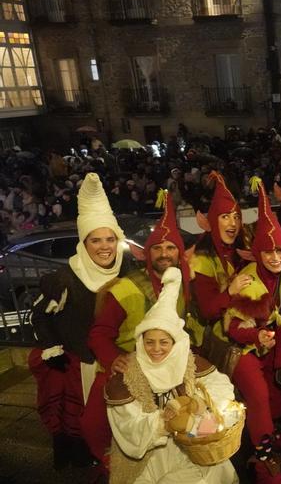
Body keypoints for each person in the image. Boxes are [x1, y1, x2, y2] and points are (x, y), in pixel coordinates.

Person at [82, 190, 191, 468]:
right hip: (128, 363)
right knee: (94, 424)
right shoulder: (126, 288)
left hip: (166, 364)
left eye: (171, 248)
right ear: (147, 254)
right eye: (158, 248)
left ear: (180, 253)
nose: (164, 254)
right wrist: (115, 359)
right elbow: (99, 334)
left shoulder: (182, 285)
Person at [29, 172, 127, 472]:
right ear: (84, 244)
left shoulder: (127, 271)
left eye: (110, 239)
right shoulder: (64, 279)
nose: (104, 246)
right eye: (96, 240)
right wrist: (52, 347)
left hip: (115, 361)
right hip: (79, 365)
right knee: (81, 419)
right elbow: (40, 317)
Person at [104, 268, 238, 484]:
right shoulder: (127, 376)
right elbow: (128, 430)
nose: (156, 349)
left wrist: (200, 404)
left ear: (175, 343)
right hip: (149, 456)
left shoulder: (189, 363)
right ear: (141, 342)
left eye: (164, 342)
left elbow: (221, 387)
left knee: (212, 469)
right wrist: (164, 423)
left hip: (191, 445)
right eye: (149, 342)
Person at [222, 178, 281, 484]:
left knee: (275, 393)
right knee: (259, 396)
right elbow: (233, 328)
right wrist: (257, 336)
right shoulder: (250, 282)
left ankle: (267, 435)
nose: (275, 257)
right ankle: (263, 462)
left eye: (280, 251)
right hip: (242, 350)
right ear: (258, 254)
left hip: (265, 345)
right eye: (268, 252)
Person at [190, 171, 248, 353]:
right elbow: (207, 311)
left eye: (236, 217)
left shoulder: (242, 252)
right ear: (213, 222)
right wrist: (230, 291)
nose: (233, 223)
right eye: (225, 217)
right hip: (214, 341)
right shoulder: (202, 259)